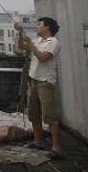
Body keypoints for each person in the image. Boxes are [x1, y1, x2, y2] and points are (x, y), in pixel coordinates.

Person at [14, 17, 62, 159]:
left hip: (45, 82)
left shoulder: (53, 43)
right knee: (33, 113)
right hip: (33, 80)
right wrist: (20, 32)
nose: (37, 26)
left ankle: (57, 148)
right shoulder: (37, 41)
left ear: (47, 27)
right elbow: (22, 46)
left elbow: (42, 57)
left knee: (49, 116)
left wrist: (30, 43)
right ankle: (38, 141)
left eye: (39, 24)